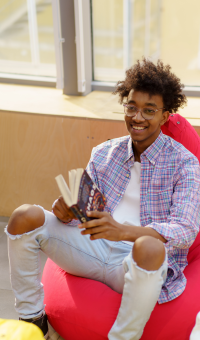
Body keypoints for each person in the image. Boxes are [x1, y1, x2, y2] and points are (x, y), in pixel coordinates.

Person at [6, 58, 200, 340]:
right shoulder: (104, 153)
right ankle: (33, 318)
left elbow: (185, 230)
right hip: (92, 248)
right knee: (24, 215)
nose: (137, 117)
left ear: (165, 115)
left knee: (148, 247)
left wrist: (123, 231)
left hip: (135, 264)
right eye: (131, 107)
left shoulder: (185, 164)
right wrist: (67, 211)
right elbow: (87, 209)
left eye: (149, 110)